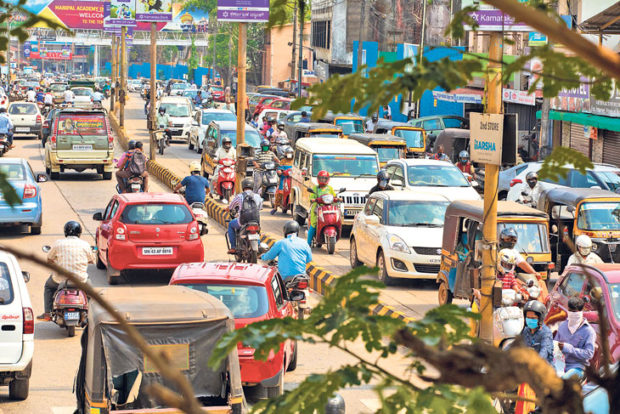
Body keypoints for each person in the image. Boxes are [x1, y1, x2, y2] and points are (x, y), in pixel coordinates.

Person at [36, 221, 95, 321]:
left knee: (48, 287)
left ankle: (47, 313)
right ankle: (90, 316)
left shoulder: (58, 243)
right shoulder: (85, 245)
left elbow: (49, 259)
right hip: (81, 280)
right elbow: (92, 261)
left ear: (65, 232)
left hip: (60, 280)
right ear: (79, 232)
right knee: (92, 293)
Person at [554, 297, 596, 380]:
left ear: (581, 312)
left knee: (563, 381)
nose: (572, 314)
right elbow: (555, 344)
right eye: (570, 311)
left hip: (578, 367)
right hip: (560, 363)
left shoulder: (589, 331)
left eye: (574, 312)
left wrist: (569, 348)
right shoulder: (563, 326)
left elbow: (589, 354)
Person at [227, 178, 263, 254]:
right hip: (255, 221)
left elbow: (231, 207)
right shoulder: (257, 196)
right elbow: (260, 208)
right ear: (252, 186)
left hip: (242, 222)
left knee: (230, 224)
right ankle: (259, 245)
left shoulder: (239, 196)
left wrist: (226, 209)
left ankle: (233, 247)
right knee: (257, 231)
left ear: (243, 186)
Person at [519, 300, 554, 365]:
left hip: (542, 368)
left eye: (533, 318)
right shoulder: (525, 330)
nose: (530, 320)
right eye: (528, 317)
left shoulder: (546, 333)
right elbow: (516, 345)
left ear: (540, 318)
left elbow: (544, 352)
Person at [307, 170, 337, 246]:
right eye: (321, 178)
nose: (323, 180)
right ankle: (308, 243)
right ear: (318, 179)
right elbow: (312, 197)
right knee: (313, 225)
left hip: (327, 208)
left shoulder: (329, 188)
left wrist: (337, 198)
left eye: (325, 178)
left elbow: (334, 196)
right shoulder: (315, 188)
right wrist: (313, 199)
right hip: (317, 209)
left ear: (327, 179)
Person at [271, 147, 294, 215]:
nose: (289, 155)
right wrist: (279, 171)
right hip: (284, 178)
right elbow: (279, 168)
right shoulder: (283, 160)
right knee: (279, 192)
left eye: (290, 153)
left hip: (292, 179)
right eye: (288, 153)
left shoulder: (294, 161)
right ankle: (275, 207)